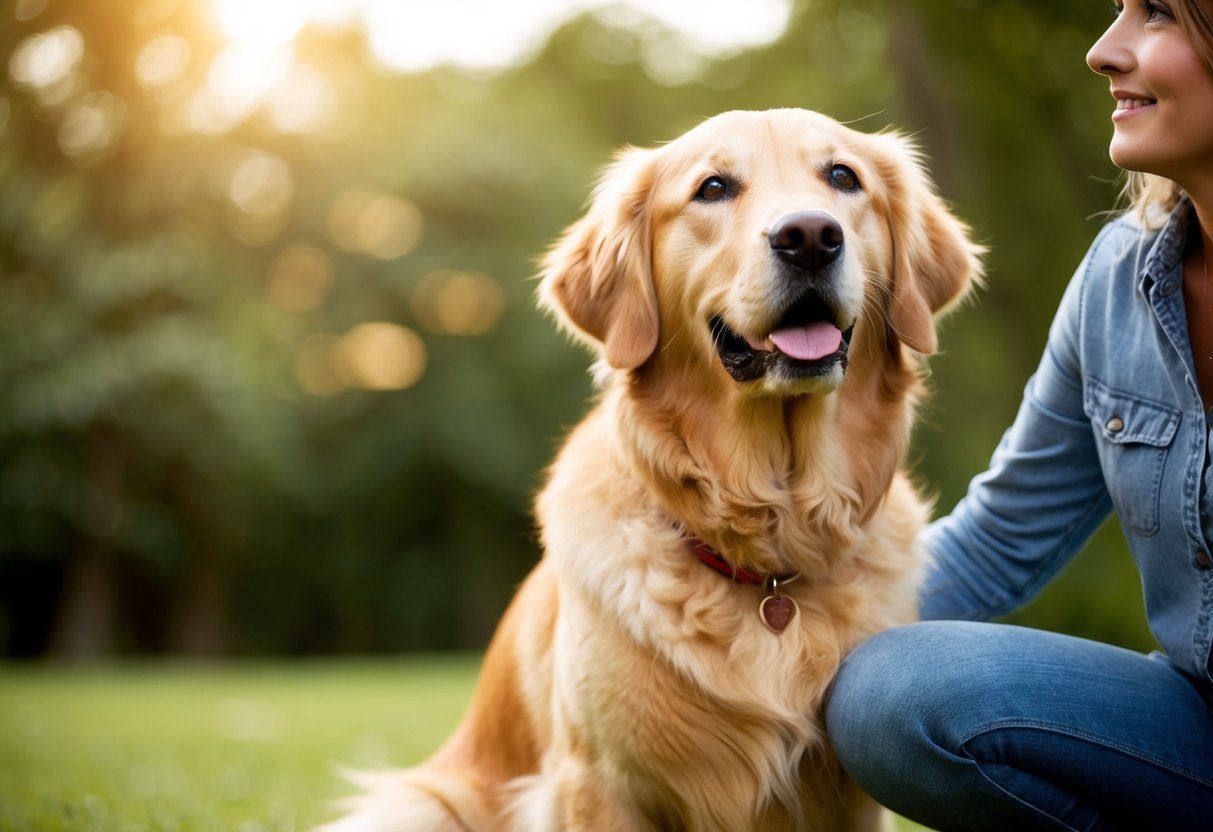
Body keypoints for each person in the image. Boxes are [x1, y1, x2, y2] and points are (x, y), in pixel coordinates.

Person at [824, 1, 1213, 830]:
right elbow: (997, 540)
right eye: (1116, 12)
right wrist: (761, 612)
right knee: (891, 694)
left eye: (1158, 15)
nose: (1102, 53)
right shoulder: (1116, 282)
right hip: (1195, 723)